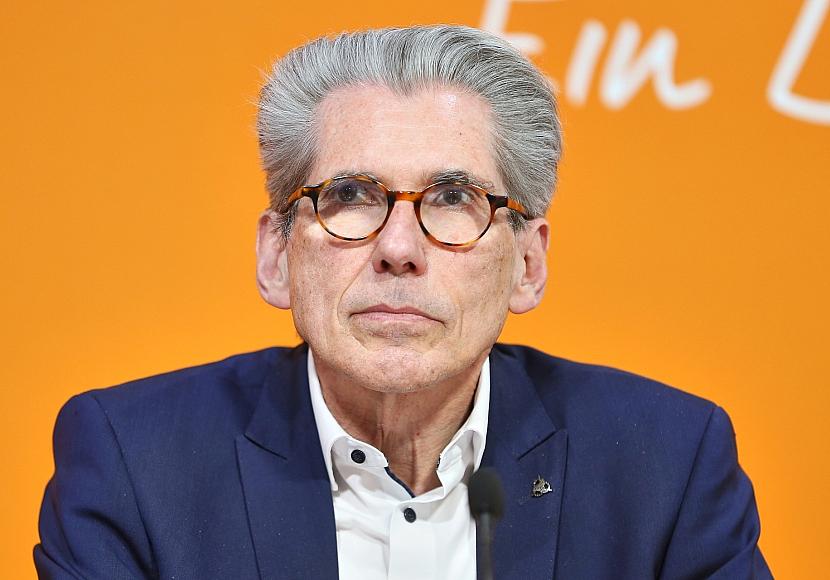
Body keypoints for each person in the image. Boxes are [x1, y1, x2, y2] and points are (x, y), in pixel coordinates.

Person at [34, 24, 771, 579]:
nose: (398, 247)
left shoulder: (666, 464)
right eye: (350, 195)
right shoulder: (135, 463)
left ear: (527, 264)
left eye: (452, 199)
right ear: (277, 256)